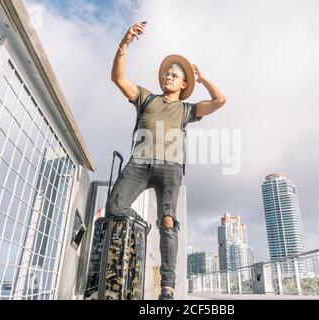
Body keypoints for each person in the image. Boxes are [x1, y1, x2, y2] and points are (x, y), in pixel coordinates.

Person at [107, 22, 226, 300]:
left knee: (169, 222)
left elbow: (220, 100)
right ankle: (142, 226)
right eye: (166, 74)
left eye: (174, 75)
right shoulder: (146, 98)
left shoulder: (187, 110)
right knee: (115, 207)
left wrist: (203, 78)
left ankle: (168, 287)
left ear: (183, 84)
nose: (168, 77)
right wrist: (124, 44)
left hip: (170, 169)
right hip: (139, 163)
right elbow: (118, 78)